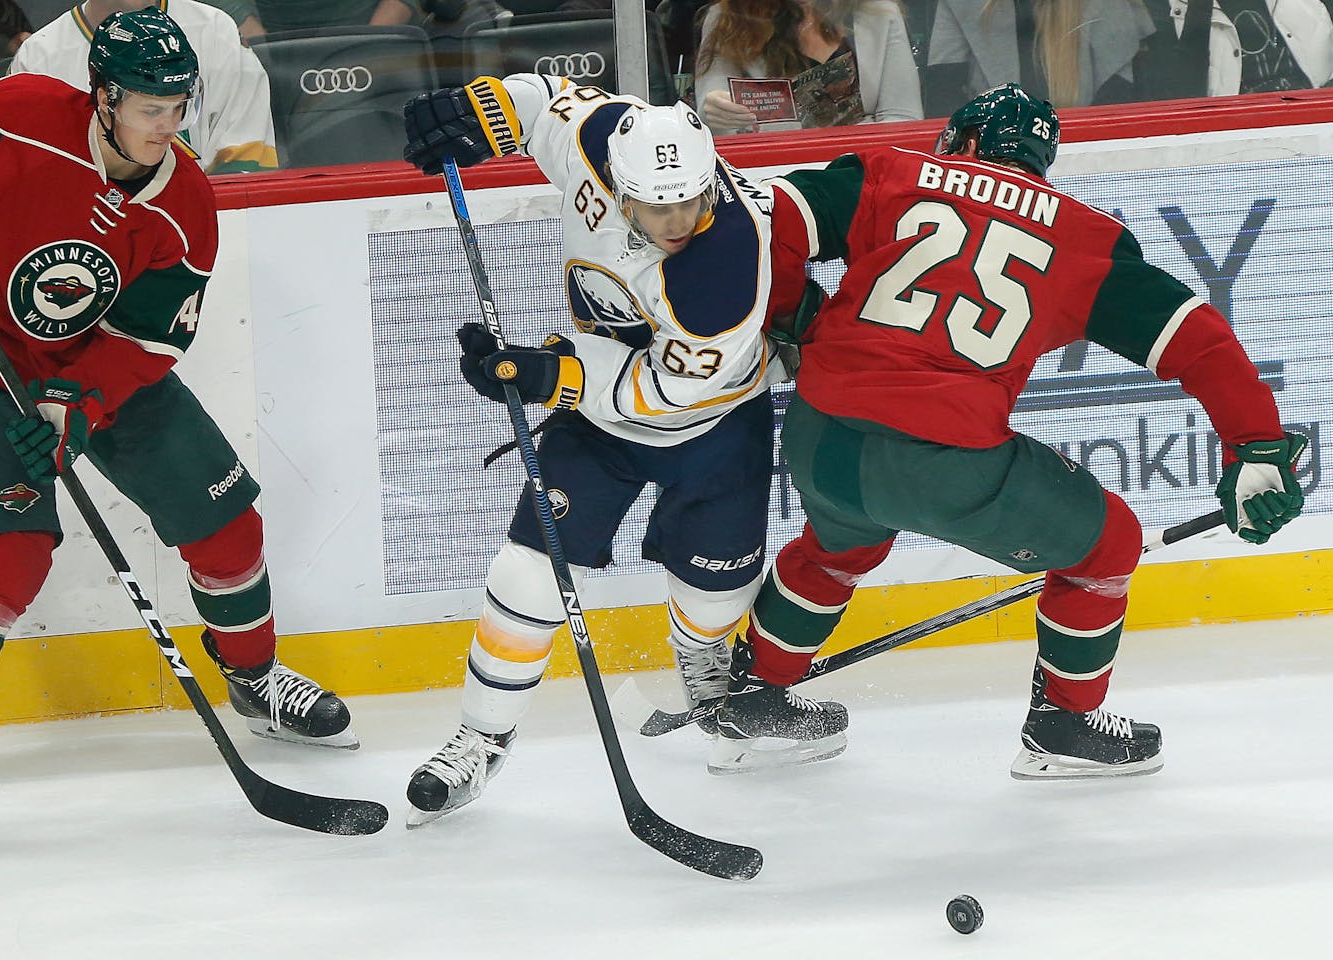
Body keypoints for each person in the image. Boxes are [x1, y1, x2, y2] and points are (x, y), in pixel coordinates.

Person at [708, 82, 1306, 777]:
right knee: (1107, 544)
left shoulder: (888, 171)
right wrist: (1255, 444)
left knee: (839, 546)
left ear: (962, 143)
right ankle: (1064, 725)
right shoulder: (1082, 238)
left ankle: (754, 701)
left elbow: (765, 216)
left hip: (818, 438)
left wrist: (791, 317)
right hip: (944, 460)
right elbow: (1196, 340)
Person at [0, 7, 355, 850]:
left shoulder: (185, 203)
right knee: (9, 555)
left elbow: (150, 337)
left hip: (100, 367)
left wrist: (80, 407)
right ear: (102, 97)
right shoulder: (31, 115)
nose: (168, 127)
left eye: (178, 107)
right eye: (149, 108)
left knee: (226, 521)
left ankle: (252, 678)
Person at [397, 72, 821, 823]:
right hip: (598, 427)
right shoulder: (603, 140)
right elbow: (537, 105)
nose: (678, 218)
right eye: (658, 205)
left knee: (711, 597)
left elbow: (664, 394)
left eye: (692, 198)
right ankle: (479, 739)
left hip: (715, 424)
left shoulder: (723, 269)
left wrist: (543, 374)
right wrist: (472, 111)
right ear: (620, 185)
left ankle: (712, 684)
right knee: (525, 574)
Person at [10, 0, 278, 174]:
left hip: (206, 239)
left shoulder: (216, 31)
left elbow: (248, 169)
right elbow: (30, 184)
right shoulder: (38, 59)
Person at [694, 0, 922, 135]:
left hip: (867, 169)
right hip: (778, 172)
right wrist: (717, 108)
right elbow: (711, 106)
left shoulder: (879, 12)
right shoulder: (728, 18)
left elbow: (903, 117)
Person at [923, 0, 1153, 115]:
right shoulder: (962, 5)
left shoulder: (1107, 6)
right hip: (990, 165)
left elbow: (1115, 117)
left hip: (1083, 162)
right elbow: (943, 100)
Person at [1133, 0, 1333, 101]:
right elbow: (1185, 97)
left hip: (1315, 116)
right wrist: (1199, 8)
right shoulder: (1167, 8)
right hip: (1238, 132)